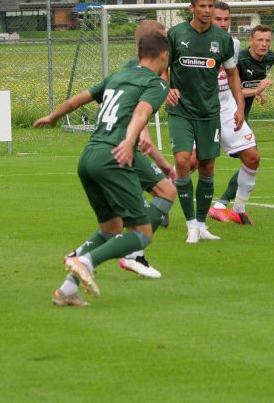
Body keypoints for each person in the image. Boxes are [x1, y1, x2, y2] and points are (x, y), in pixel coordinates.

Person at [34, 30, 172, 306]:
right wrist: (129, 140)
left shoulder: (118, 76)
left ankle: (67, 291)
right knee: (141, 235)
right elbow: (140, 113)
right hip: (115, 157)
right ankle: (85, 260)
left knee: (111, 228)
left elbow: (78, 100)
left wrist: (53, 116)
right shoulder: (156, 84)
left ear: (137, 55)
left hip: (89, 157)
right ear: (165, 56)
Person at [166, 0, 243, 243]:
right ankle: (190, 225)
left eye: (211, 6)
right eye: (203, 6)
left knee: (208, 165)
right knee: (183, 161)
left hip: (210, 112)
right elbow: (161, 68)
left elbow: (233, 74)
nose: (208, 11)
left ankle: (201, 224)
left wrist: (240, 106)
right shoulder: (176, 35)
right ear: (192, 8)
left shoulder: (222, 40)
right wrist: (167, 88)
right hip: (181, 111)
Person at [209, 22, 274, 224]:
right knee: (197, 160)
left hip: (242, 112)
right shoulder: (239, 58)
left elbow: (252, 82)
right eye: (259, 40)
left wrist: (259, 92)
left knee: (251, 158)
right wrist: (256, 91)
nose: (264, 45)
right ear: (251, 41)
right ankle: (223, 205)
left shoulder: (270, 58)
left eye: (267, 41)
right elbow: (231, 86)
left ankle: (229, 207)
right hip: (228, 112)